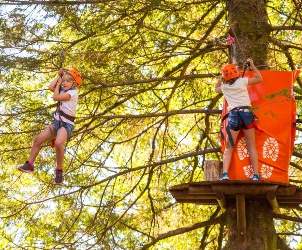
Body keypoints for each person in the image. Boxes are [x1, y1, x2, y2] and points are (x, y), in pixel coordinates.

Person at [18, 67, 82, 184]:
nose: (65, 83)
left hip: (66, 124)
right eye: (64, 80)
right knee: (38, 139)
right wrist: (59, 76)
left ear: (74, 83)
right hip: (56, 122)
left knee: (58, 143)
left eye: (68, 81)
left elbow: (55, 97)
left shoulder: (73, 93)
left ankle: (59, 171)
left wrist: (59, 84)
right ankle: (29, 165)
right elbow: (50, 87)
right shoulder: (62, 88)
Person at [215, 58, 263, 181]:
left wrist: (220, 78)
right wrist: (252, 65)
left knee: (229, 147)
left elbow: (216, 89)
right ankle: (256, 175)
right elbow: (259, 78)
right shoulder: (242, 81)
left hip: (234, 115)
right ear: (236, 73)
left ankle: (225, 174)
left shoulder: (224, 87)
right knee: (251, 145)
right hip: (247, 114)